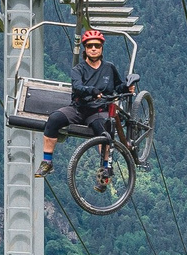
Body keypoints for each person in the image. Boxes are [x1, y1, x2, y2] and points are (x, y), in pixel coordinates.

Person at [39, 28, 129, 175]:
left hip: (99, 110)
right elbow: (77, 87)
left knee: (105, 133)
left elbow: (117, 87)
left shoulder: (109, 68)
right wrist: (92, 90)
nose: (93, 49)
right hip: (79, 108)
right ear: (85, 49)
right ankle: (47, 162)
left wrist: (126, 87)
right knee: (54, 119)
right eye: (90, 46)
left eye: (97, 46)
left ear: (101, 48)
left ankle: (105, 168)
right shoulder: (78, 69)